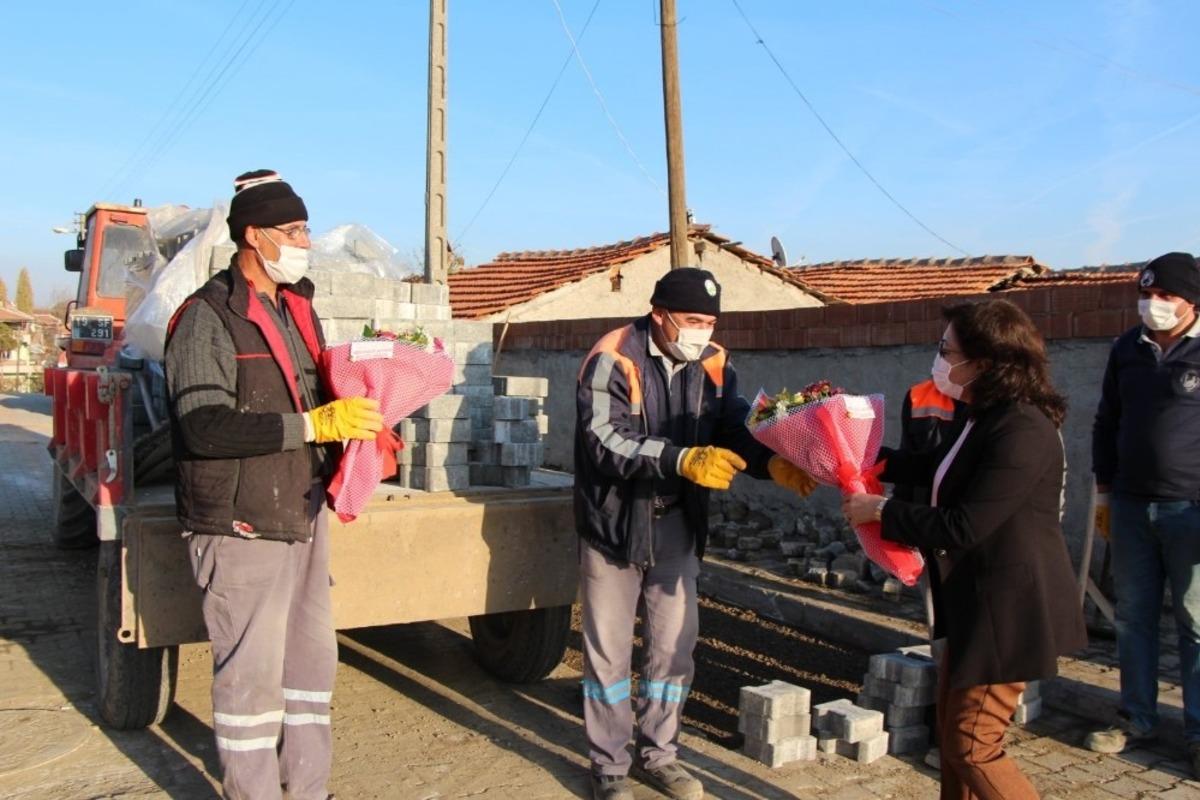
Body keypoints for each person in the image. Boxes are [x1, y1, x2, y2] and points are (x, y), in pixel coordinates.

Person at [165, 170, 383, 800]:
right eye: (294, 230)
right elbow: (203, 427)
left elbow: (317, 396)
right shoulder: (206, 317)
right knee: (251, 682)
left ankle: (307, 790)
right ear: (254, 236)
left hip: (302, 514)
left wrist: (360, 427)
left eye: (307, 228)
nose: (306, 241)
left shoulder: (297, 309)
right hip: (241, 522)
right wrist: (312, 423)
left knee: (311, 668)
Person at [574, 267, 816, 800]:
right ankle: (609, 767)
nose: (701, 331)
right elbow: (604, 440)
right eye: (691, 320)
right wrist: (681, 458)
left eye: (708, 321)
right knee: (609, 655)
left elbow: (735, 427)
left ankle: (659, 754)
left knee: (673, 650)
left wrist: (770, 461)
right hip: (615, 524)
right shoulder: (612, 356)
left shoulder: (714, 362)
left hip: (678, 522)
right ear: (659, 314)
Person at [844, 299, 1087, 800]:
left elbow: (963, 524)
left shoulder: (1023, 428)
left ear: (987, 361)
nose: (939, 361)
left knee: (973, 743)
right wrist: (849, 457)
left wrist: (882, 511)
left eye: (946, 350)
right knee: (952, 730)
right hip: (973, 604)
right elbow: (932, 467)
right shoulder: (982, 416)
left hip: (1008, 608)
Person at [1085, 252, 1200, 774]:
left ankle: (1197, 731)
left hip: (1191, 509)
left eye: (1164, 297)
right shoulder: (1126, 349)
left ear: (1192, 302)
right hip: (1132, 503)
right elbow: (1107, 420)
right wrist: (1105, 490)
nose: (1152, 305)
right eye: (1146, 295)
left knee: (1196, 621)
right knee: (1133, 616)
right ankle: (1136, 717)